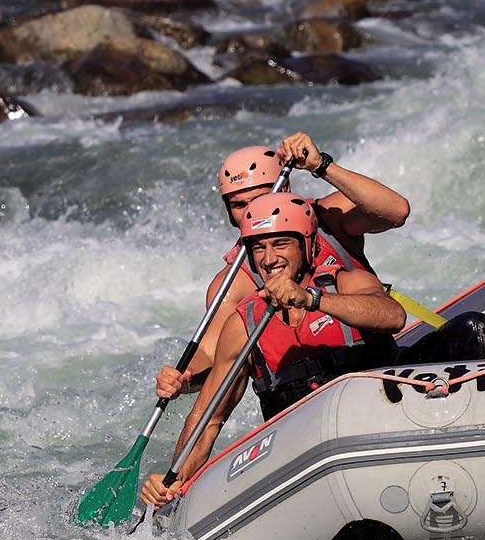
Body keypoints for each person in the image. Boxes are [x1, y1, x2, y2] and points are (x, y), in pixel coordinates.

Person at [141, 195, 407, 505]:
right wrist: (174, 479)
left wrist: (312, 300)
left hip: (380, 434)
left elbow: (394, 317)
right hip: (306, 461)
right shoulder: (243, 325)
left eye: (280, 244)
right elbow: (207, 419)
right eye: (258, 248)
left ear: (307, 246)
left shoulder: (348, 283)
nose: (268, 259)